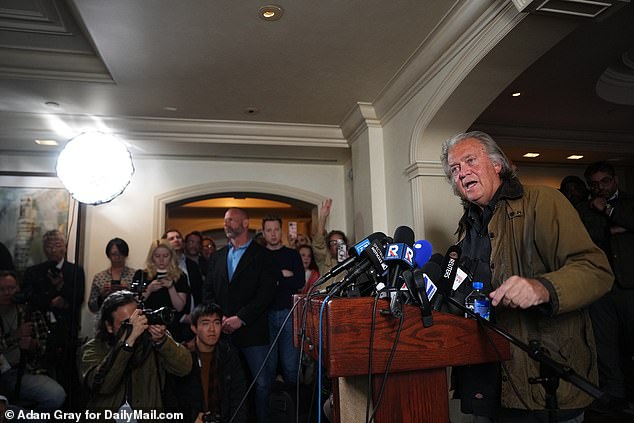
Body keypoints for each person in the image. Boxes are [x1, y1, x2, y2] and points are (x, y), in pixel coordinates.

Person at [440, 131, 613, 422]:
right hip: (486, 384)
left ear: (497, 164)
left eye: (470, 160)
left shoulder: (542, 202)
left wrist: (543, 288)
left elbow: (596, 270)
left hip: (542, 383)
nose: (462, 172)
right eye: (454, 169)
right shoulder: (466, 229)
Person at [203, 207, 277, 423]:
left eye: (231, 220)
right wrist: (219, 318)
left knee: (262, 383)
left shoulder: (263, 256)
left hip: (253, 332)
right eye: (225, 220)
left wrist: (241, 318)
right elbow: (208, 291)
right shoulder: (217, 257)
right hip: (222, 333)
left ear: (245, 223)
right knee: (224, 384)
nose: (226, 223)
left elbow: (266, 293)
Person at [576, 161, 634, 413]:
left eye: (605, 182)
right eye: (594, 184)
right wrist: (618, 229)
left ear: (615, 180)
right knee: (605, 345)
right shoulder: (582, 209)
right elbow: (584, 239)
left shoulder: (629, 202)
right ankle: (615, 398)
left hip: (630, 285)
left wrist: (609, 211)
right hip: (599, 287)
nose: (600, 188)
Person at [79, 290, 191, 412]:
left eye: (137, 319)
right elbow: (102, 386)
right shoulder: (92, 348)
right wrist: (127, 343)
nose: (135, 326)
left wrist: (162, 341)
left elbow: (184, 368)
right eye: (127, 323)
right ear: (109, 326)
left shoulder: (151, 340)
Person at [22, 229, 84, 402]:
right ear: (44, 249)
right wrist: (50, 301)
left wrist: (61, 286)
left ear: (64, 247)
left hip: (66, 331)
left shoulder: (75, 271)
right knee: (43, 373)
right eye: (49, 246)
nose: (53, 249)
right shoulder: (34, 271)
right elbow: (27, 296)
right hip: (40, 331)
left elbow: (78, 298)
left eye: (58, 245)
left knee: (68, 374)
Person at [166, 303, 247, 423]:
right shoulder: (182, 355)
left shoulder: (229, 354)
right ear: (194, 327)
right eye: (205, 323)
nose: (212, 329)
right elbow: (171, 399)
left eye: (216, 323)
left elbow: (239, 395)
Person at [0, 271, 65, 410]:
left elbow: (43, 346)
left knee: (56, 396)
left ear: (18, 288)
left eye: (11, 288)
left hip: (23, 371)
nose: (7, 293)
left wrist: (33, 345)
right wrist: (15, 336)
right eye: (2, 289)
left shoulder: (29, 311)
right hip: (2, 372)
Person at [262, 215, 304, 386]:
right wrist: (281, 276)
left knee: (290, 367)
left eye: (276, 230)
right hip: (265, 314)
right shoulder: (259, 255)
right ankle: (273, 409)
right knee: (268, 367)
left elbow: (299, 282)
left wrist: (273, 280)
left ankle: (295, 408)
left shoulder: (292, 254)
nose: (273, 234)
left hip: (289, 313)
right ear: (263, 233)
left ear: (282, 231)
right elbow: (260, 285)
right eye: (269, 230)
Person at [131, 240, 189, 340]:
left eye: (165, 256)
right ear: (151, 257)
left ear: (171, 256)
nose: (161, 260)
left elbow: (180, 307)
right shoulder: (141, 274)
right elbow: (134, 304)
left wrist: (171, 288)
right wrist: (149, 290)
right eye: (157, 256)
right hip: (146, 326)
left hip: (171, 326)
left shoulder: (180, 276)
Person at [88, 238, 136, 313]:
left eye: (120, 254)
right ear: (108, 255)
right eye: (114, 254)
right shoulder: (99, 277)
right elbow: (92, 307)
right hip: (105, 320)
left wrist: (128, 291)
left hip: (130, 318)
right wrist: (102, 296)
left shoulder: (134, 275)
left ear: (126, 254)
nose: (117, 257)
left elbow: (141, 302)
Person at [312, 199, 348, 285]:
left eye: (339, 242)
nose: (336, 246)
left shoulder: (351, 260)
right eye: (333, 243)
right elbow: (318, 243)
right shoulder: (324, 260)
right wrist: (322, 218)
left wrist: (348, 261)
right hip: (324, 296)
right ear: (329, 246)